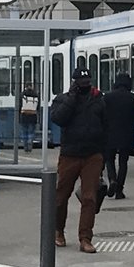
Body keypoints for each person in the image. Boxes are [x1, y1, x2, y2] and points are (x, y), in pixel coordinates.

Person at [49, 67, 108, 254]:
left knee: (89, 197)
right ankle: (58, 231)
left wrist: (104, 157)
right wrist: (71, 99)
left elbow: (106, 127)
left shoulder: (99, 100)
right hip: (70, 154)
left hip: (93, 155)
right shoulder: (63, 99)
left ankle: (85, 238)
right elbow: (58, 119)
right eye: (81, 82)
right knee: (60, 197)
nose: (85, 85)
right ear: (74, 83)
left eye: (88, 81)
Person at [103, 72, 134, 200]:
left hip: (109, 133)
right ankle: (119, 190)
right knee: (123, 162)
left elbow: (102, 114)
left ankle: (112, 179)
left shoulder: (107, 97)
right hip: (126, 134)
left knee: (109, 159)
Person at [18, 84, 40, 152]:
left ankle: (25, 146)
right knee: (31, 132)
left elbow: (19, 106)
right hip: (33, 116)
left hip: (24, 116)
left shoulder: (22, 95)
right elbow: (38, 107)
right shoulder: (36, 95)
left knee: (24, 131)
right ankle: (30, 143)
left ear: (25, 87)